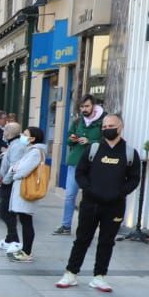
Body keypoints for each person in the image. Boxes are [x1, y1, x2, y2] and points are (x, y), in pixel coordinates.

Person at [55, 113, 140, 292]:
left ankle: (99, 276)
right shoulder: (93, 149)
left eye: (111, 126)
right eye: (104, 127)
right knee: (82, 239)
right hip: (90, 204)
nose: (107, 129)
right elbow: (80, 173)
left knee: (106, 241)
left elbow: (134, 179)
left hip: (115, 205)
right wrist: (89, 189)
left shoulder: (130, 153)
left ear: (120, 127)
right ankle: (71, 273)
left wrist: (119, 193)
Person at [57, 96, 104, 235]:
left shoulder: (103, 121)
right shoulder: (77, 121)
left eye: (87, 106)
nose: (84, 109)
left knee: (89, 197)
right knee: (70, 196)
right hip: (75, 163)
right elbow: (68, 140)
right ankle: (66, 226)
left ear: (93, 106)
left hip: (93, 165)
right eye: (82, 107)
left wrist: (90, 141)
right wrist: (72, 139)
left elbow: (106, 141)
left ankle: (86, 228)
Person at [2, 126, 46, 263]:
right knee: (24, 220)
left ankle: (27, 252)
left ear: (32, 138)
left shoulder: (35, 152)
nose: (22, 136)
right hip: (22, 189)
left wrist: (15, 170)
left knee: (26, 221)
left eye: (25, 134)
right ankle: (25, 250)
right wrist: (15, 169)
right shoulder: (30, 151)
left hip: (26, 190)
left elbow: (21, 170)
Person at [0, 121, 26, 254]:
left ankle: (15, 241)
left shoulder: (17, 146)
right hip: (7, 182)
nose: (3, 133)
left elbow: (14, 167)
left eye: (5, 130)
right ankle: (9, 239)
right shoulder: (13, 144)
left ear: (10, 133)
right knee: (5, 211)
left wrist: (5, 181)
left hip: (9, 184)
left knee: (6, 212)